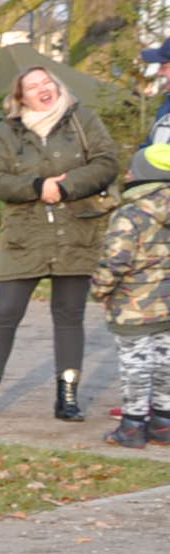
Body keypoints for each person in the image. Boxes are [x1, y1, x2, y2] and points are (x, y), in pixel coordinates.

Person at [0, 60, 119, 422]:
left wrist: (66, 186)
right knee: (3, 313)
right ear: (20, 98)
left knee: (69, 315)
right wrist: (38, 187)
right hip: (25, 234)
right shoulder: (5, 133)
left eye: (46, 81)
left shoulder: (83, 119)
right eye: (33, 86)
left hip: (77, 231)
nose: (42, 88)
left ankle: (67, 397)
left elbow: (106, 162)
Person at [89, 121, 170, 446]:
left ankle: (134, 424)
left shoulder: (131, 215)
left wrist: (100, 288)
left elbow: (116, 260)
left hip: (132, 305)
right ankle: (164, 421)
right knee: (166, 361)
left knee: (136, 363)